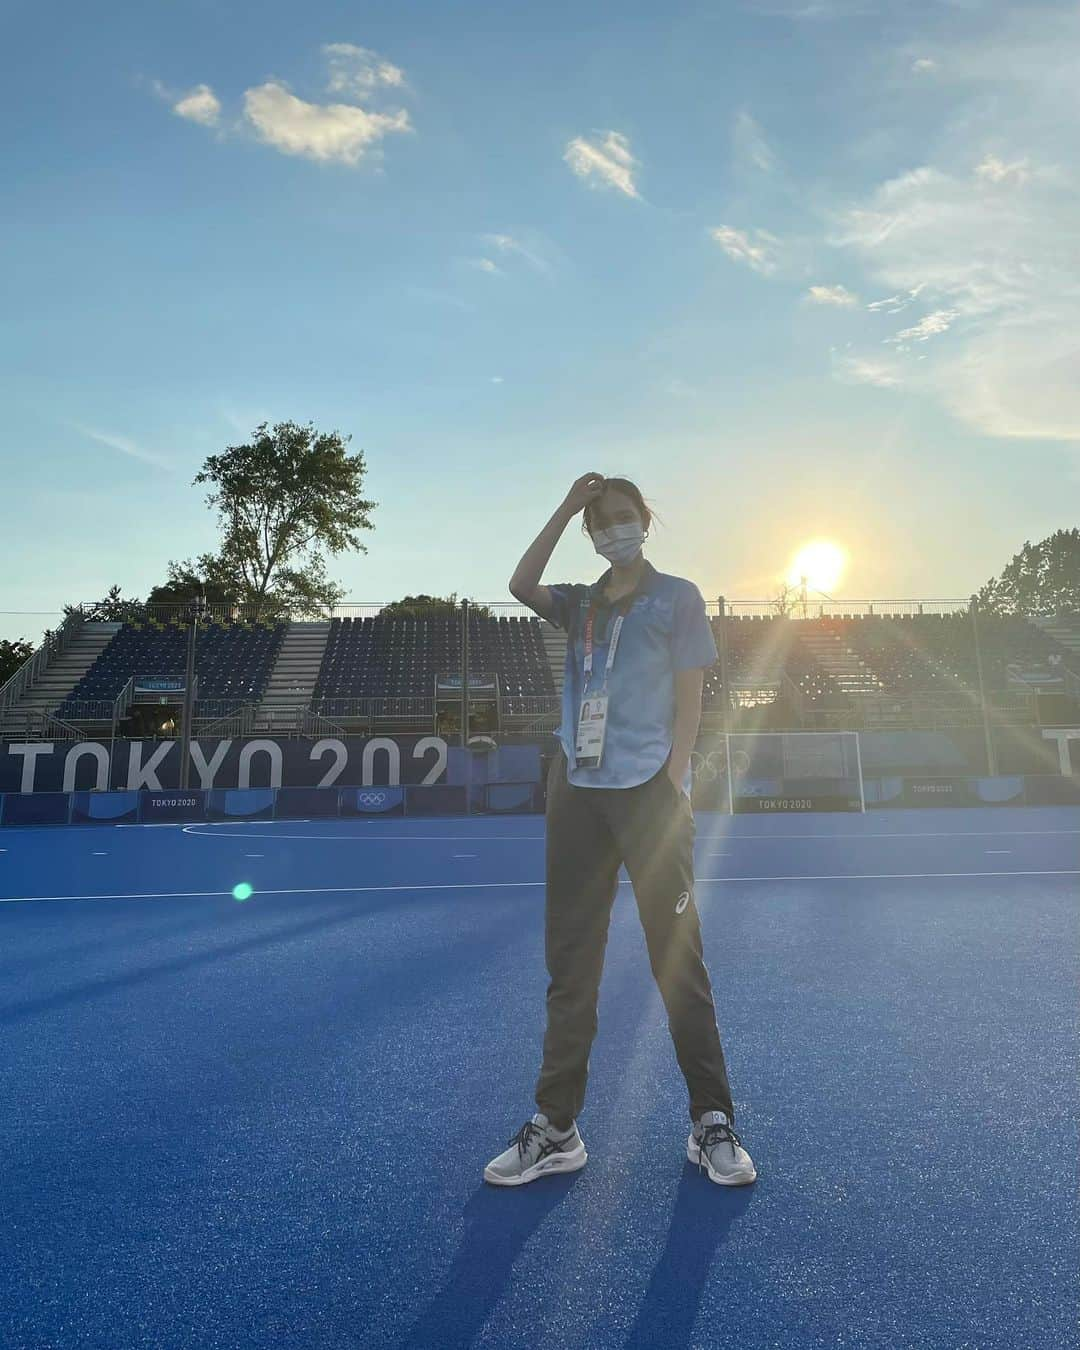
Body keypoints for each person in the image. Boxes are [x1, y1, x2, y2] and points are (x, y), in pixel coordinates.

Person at [484, 473, 756, 1187]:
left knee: (678, 960)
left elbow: (692, 695)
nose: (612, 530)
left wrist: (676, 779)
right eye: (599, 522)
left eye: (623, 517)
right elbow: (518, 581)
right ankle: (557, 1126)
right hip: (577, 791)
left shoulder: (677, 597)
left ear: (646, 520)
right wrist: (565, 505)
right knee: (571, 964)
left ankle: (712, 1122)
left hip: (648, 796)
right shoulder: (577, 605)